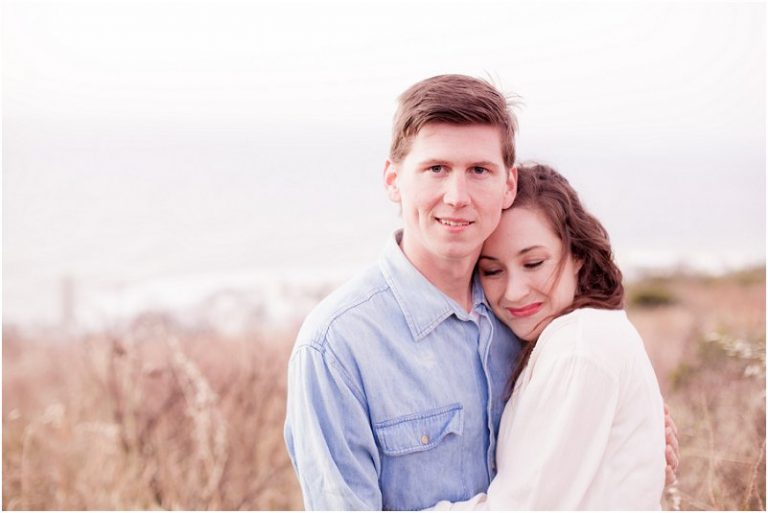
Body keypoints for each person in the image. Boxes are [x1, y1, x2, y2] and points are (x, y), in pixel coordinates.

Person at [284, 75, 678, 511]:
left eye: (479, 170)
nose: (457, 197)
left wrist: (625, 445)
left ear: (508, 184)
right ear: (393, 179)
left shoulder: (529, 317)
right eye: (436, 169)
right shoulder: (336, 347)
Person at [433, 163, 666, 509]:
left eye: (534, 263)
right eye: (492, 271)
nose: (514, 292)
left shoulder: (578, 349)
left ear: (578, 256)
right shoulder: (581, 335)